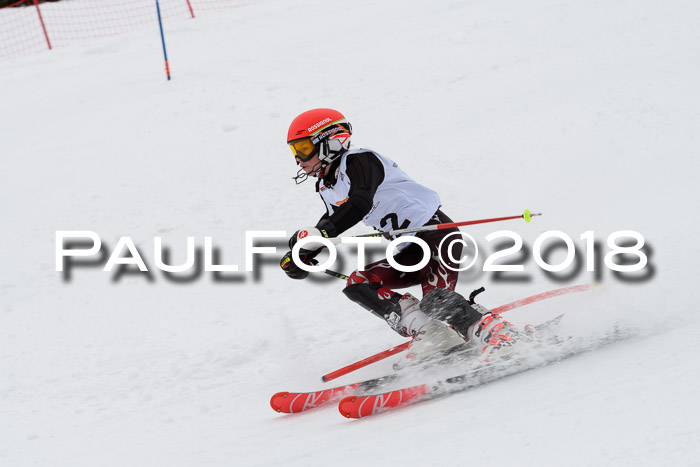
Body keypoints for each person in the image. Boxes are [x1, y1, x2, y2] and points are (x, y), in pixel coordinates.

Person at [279, 108, 518, 358]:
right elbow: (332, 219)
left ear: (330, 142)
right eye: (295, 151)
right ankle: (431, 333)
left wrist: (320, 233)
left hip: (435, 238)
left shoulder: (361, 161)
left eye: (303, 148)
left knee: (437, 300)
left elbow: (360, 203)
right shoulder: (327, 185)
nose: (298, 158)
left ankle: (499, 334)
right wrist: (302, 253)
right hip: (408, 252)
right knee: (358, 283)